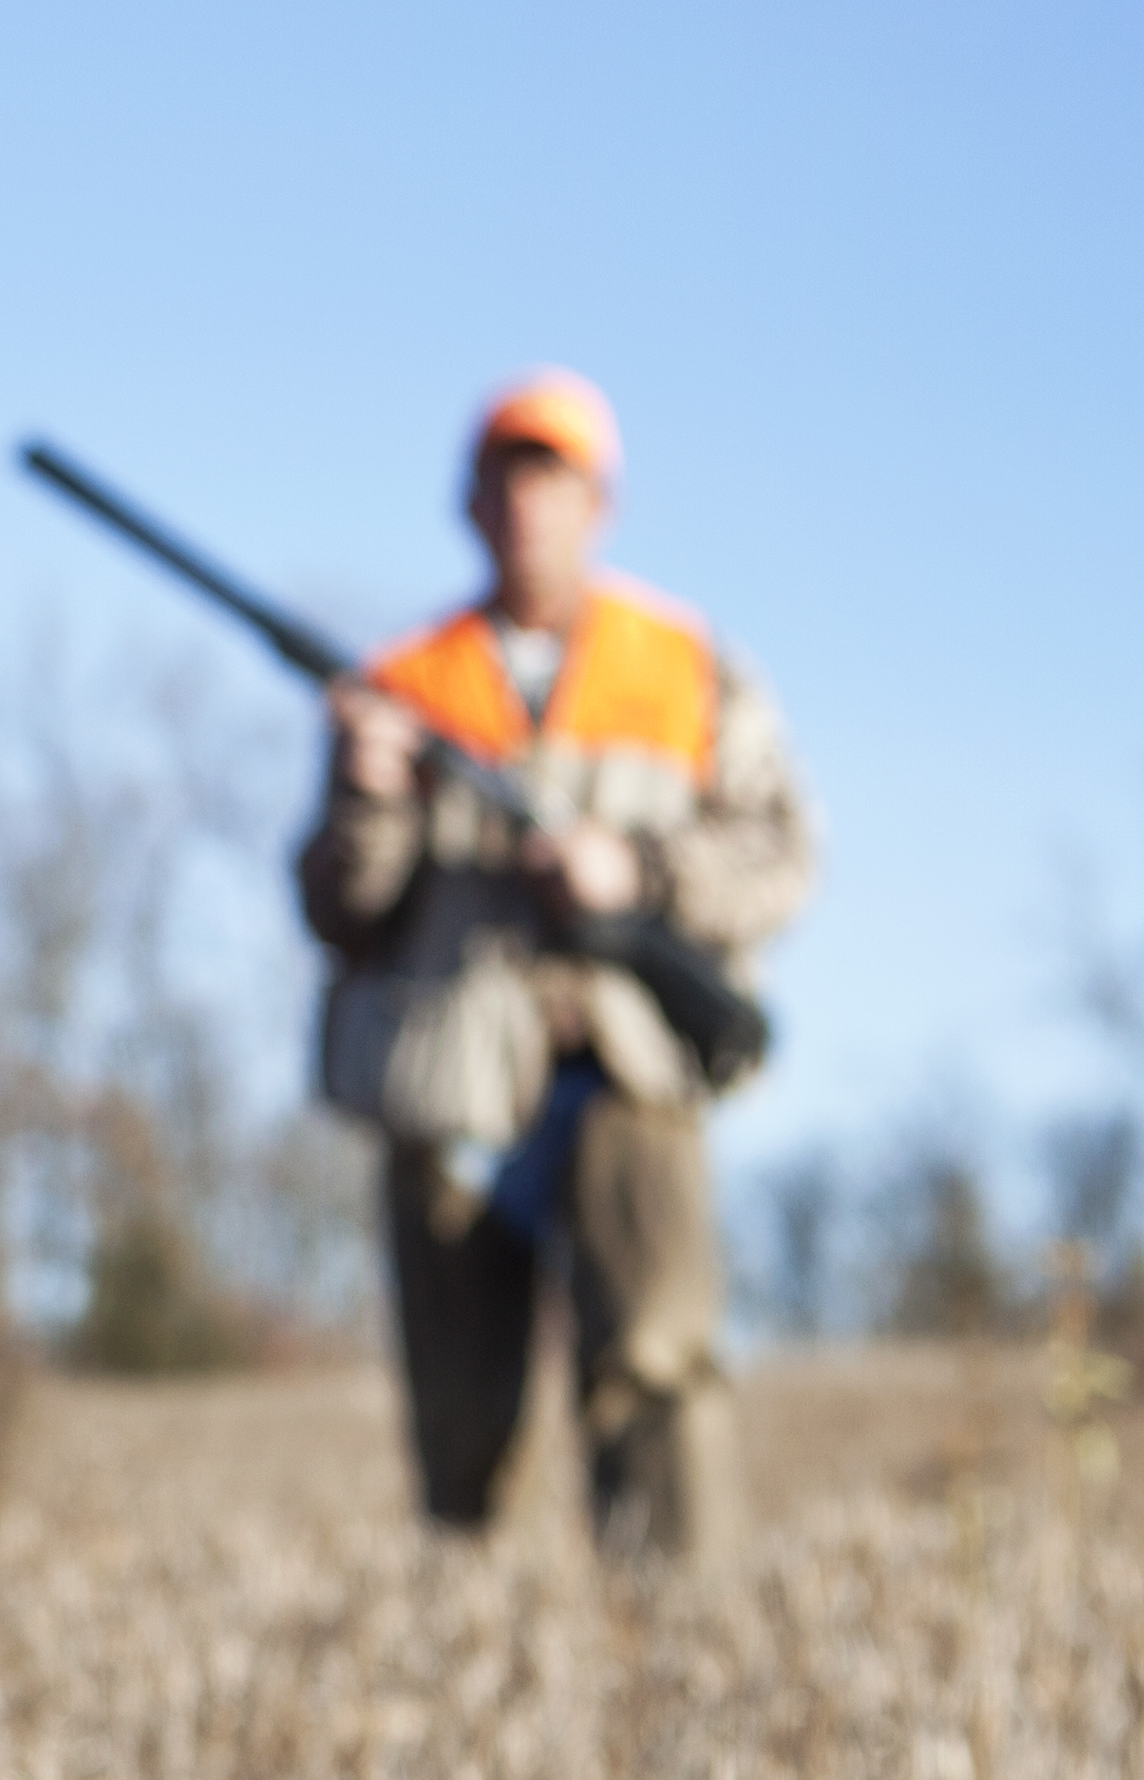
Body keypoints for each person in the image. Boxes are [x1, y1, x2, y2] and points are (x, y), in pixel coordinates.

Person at [297, 369, 814, 1561]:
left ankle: (682, 1659)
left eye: (554, 479)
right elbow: (340, 910)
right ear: (469, 506)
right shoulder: (405, 680)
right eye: (506, 478)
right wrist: (370, 802)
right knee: (458, 1407)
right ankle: (473, 1669)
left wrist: (635, 872)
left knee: (658, 1367)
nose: (529, 504)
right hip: (454, 1080)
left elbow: (785, 854)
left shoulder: (687, 665)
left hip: (629, 1067)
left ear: (602, 505)